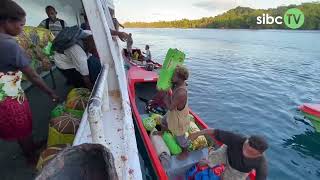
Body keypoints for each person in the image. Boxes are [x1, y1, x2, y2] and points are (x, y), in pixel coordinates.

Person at [0, 0, 59, 164]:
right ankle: (31, 157)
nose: (22, 29)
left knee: (16, 127)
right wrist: (50, 92)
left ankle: (30, 147)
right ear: (7, 22)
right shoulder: (9, 45)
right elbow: (32, 76)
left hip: (3, 94)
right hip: (9, 97)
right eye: (20, 25)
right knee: (22, 127)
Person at [188, 129, 268, 180]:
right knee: (203, 163)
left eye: (250, 153)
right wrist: (197, 133)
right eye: (244, 148)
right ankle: (210, 159)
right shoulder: (237, 139)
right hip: (226, 153)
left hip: (238, 171)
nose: (244, 153)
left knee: (225, 178)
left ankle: (223, 171)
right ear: (246, 141)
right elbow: (215, 132)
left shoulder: (261, 163)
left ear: (259, 154)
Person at [154, 65, 190, 160]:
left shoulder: (181, 93)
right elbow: (169, 83)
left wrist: (165, 94)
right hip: (174, 112)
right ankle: (162, 132)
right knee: (163, 121)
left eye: (173, 75)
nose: (171, 76)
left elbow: (170, 107)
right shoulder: (177, 84)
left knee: (180, 137)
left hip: (179, 117)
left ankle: (185, 151)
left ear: (179, 78)